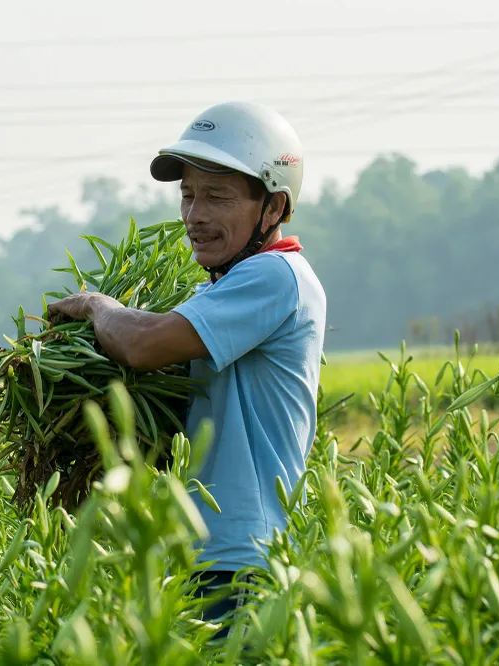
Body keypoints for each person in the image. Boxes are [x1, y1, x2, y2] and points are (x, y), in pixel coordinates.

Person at [45, 100, 327, 636]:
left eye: (217, 197)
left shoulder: (274, 276)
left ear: (273, 207)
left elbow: (143, 344)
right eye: (188, 195)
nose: (194, 215)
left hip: (246, 560)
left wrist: (96, 306)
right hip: (212, 554)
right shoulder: (220, 292)